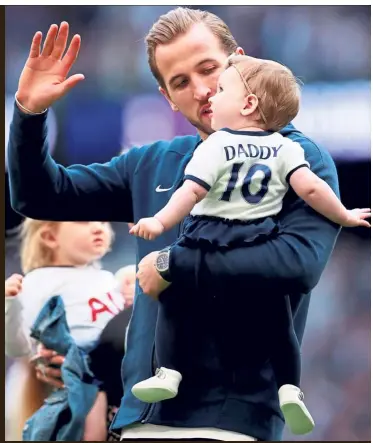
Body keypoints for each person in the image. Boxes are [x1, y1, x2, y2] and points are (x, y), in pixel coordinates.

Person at [8, 7, 342, 441]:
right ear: (167, 97)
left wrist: (174, 263)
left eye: (210, 70)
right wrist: (29, 117)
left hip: (228, 425)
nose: (202, 90)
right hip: (136, 422)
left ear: (240, 62)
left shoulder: (297, 157)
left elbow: (299, 263)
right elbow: (40, 196)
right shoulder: (154, 163)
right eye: (181, 82)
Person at [128, 54, 370, 434]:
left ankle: (169, 372)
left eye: (221, 89)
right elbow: (310, 189)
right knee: (278, 321)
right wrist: (344, 215)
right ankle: (290, 389)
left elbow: (190, 193)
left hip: (209, 234)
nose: (211, 96)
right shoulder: (286, 148)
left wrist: (159, 221)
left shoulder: (217, 144)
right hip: (257, 234)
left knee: (176, 302)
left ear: (248, 104)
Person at [4, 220, 125, 441]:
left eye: (102, 221)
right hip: (81, 376)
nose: (98, 227)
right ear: (50, 237)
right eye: (84, 221)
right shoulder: (38, 283)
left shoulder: (108, 279)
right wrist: (9, 305)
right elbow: (18, 349)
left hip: (118, 374)